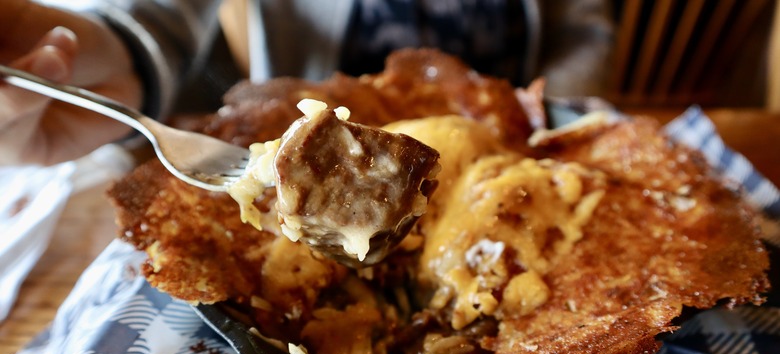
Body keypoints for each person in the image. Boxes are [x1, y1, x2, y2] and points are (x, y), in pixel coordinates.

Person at [0, 0, 613, 166]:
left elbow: (582, 28)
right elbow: (164, 18)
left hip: (517, 145)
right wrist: (113, 55)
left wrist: (543, 125)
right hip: (291, 152)